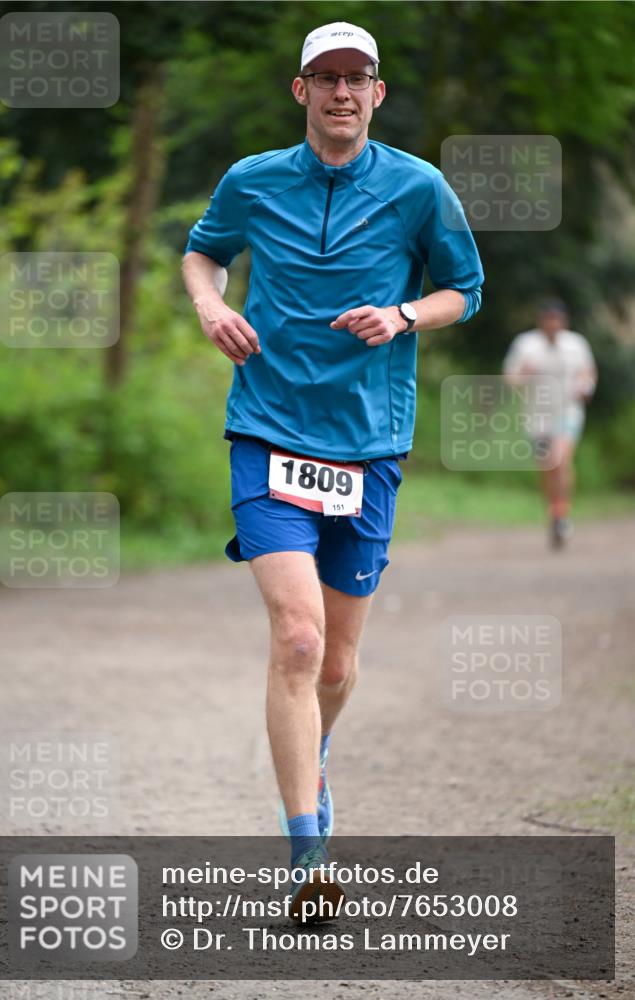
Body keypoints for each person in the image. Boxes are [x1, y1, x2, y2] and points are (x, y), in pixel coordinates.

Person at [182, 21, 483, 922]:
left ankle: (311, 753)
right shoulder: (253, 179)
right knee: (299, 640)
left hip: (367, 444)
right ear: (300, 90)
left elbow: (463, 289)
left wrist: (401, 315)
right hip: (267, 430)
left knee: (339, 665)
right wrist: (209, 304)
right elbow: (203, 250)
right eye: (326, 78)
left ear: (377, 93)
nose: (342, 92)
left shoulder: (418, 186)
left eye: (357, 79)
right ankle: (306, 850)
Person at [503, 299, 597, 549]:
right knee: (547, 466)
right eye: (548, 319)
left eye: (557, 319)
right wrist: (523, 374)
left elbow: (588, 371)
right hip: (537, 416)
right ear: (541, 321)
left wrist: (586, 387)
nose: (553, 324)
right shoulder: (526, 344)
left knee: (561, 459)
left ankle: (561, 514)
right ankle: (556, 512)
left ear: (563, 322)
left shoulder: (576, 344)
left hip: (568, 412)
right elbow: (510, 378)